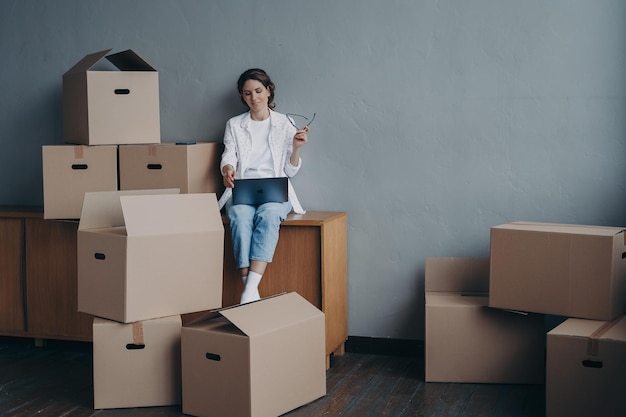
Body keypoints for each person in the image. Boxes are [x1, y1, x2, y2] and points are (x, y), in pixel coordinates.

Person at [217, 68, 309, 304]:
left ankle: (249, 291)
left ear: (269, 91)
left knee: (269, 215)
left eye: (258, 91)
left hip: (276, 192)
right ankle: (250, 289)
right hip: (243, 189)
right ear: (243, 96)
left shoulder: (285, 123)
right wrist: (228, 171)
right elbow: (228, 156)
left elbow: (290, 171)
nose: (254, 98)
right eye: (247, 94)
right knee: (238, 216)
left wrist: (296, 148)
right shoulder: (234, 124)